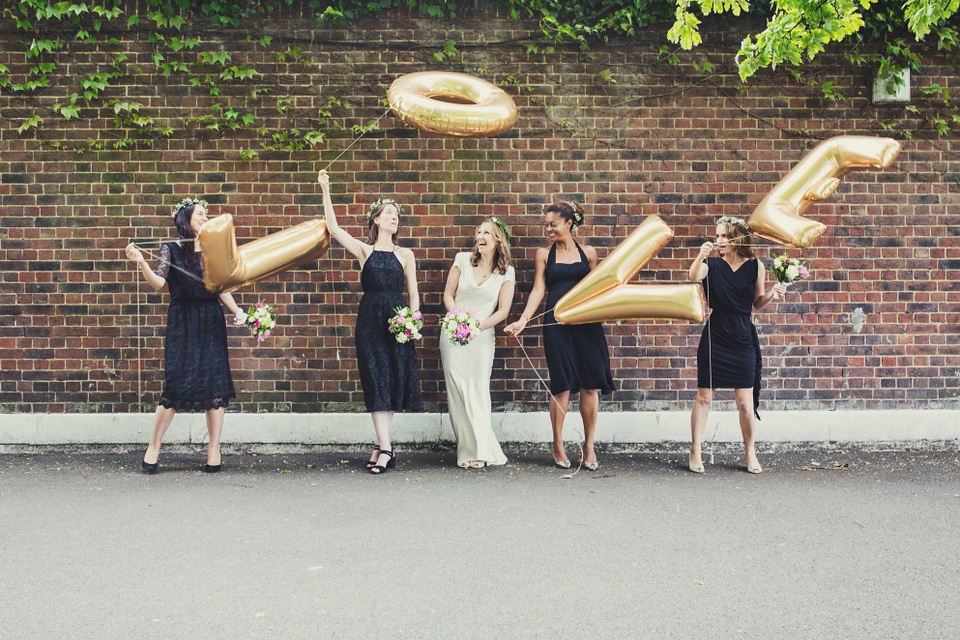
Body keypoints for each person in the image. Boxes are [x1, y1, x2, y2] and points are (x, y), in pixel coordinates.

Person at [125, 198, 245, 474]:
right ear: (185, 218)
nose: (205, 217)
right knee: (176, 384)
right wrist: (141, 261)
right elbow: (159, 283)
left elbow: (220, 288)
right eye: (200, 214)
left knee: (215, 385)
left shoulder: (214, 250)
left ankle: (214, 449)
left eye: (206, 214)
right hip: (183, 320)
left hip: (211, 319)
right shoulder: (171, 249)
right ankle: (154, 445)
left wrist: (238, 311)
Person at [318, 169, 422, 474]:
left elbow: (413, 294)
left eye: (397, 215)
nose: (395, 217)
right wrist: (326, 189)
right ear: (376, 220)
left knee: (391, 379)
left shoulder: (406, 254)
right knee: (376, 378)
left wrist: (412, 322)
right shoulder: (365, 251)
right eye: (388, 213)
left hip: (398, 320)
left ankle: (381, 445)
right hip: (370, 319)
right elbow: (334, 229)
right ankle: (386, 446)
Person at [505, 202, 615, 470]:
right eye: (546, 224)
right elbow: (538, 290)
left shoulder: (589, 253)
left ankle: (589, 446)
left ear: (569, 223)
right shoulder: (544, 254)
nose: (548, 228)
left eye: (553, 223)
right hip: (555, 325)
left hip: (586, 324)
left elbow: (597, 289)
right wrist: (522, 320)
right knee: (562, 384)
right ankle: (558, 443)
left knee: (590, 384)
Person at [687, 215, 787, 475]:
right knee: (705, 396)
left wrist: (773, 294)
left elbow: (757, 302)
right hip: (715, 334)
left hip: (742, 335)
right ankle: (695, 449)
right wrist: (700, 255)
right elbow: (693, 275)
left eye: (723, 236)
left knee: (745, 401)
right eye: (717, 236)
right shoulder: (711, 264)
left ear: (736, 238)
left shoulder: (755, 266)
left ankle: (750, 451)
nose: (719, 240)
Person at [439, 218, 516, 468]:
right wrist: (458, 320)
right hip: (453, 334)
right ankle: (466, 451)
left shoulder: (507, 272)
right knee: (458, 392)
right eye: (479, 232)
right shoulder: (462, 260)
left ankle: (482, 448)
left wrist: (475, 327)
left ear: (498, 240)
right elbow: (448, 295)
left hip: (482, 337)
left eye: (487, 233)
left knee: (478, 389)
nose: (480, 236)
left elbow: (503, 311)